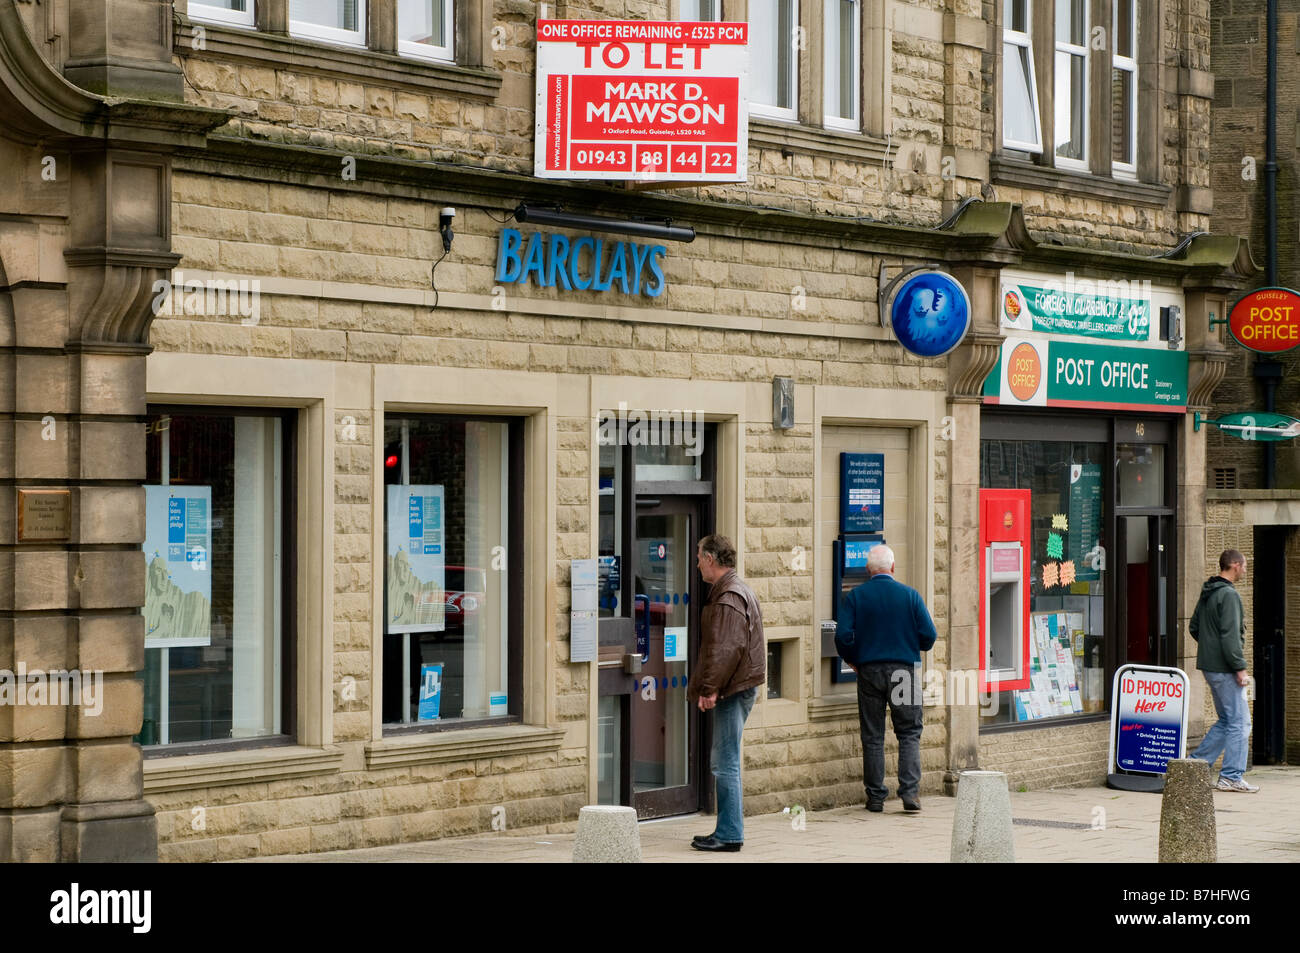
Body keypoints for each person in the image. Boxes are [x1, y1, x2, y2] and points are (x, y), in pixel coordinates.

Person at [835, 544, 936, 813]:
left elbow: (842, 636)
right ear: (892, 567)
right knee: (909, 732)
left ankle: (876, 796)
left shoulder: (856, 597)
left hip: (869, 671)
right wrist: (912, 644)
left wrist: (853, 659)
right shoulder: (910, 596)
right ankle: (910, 793)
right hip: (904, 670)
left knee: (873, 735)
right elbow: (929, 636)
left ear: (869, 570)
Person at [687, 534, 765, 852]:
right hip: (737, 685)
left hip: (733, 688)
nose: (696, 563)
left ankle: (730, 834)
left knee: (725, 761)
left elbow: (725, 649)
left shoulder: (727, 596)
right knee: (726, 758)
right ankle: (726, 828)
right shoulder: (734, 589)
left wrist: (710, 689)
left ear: (711, 559)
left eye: (698, 557)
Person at [1190, 549, 1258, 792]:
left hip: (1210, 667)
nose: (1246, 570)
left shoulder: (1209, 591)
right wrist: (1240, 668)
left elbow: (1194, 627)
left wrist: (1210, 650)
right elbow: (1230, 637)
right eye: (1245, 565)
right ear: (1235, 565)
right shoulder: (1228, 595)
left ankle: (1194, 766)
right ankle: (1231, 776)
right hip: (1226, 669)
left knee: (1228, 719)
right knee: (1241, 723)